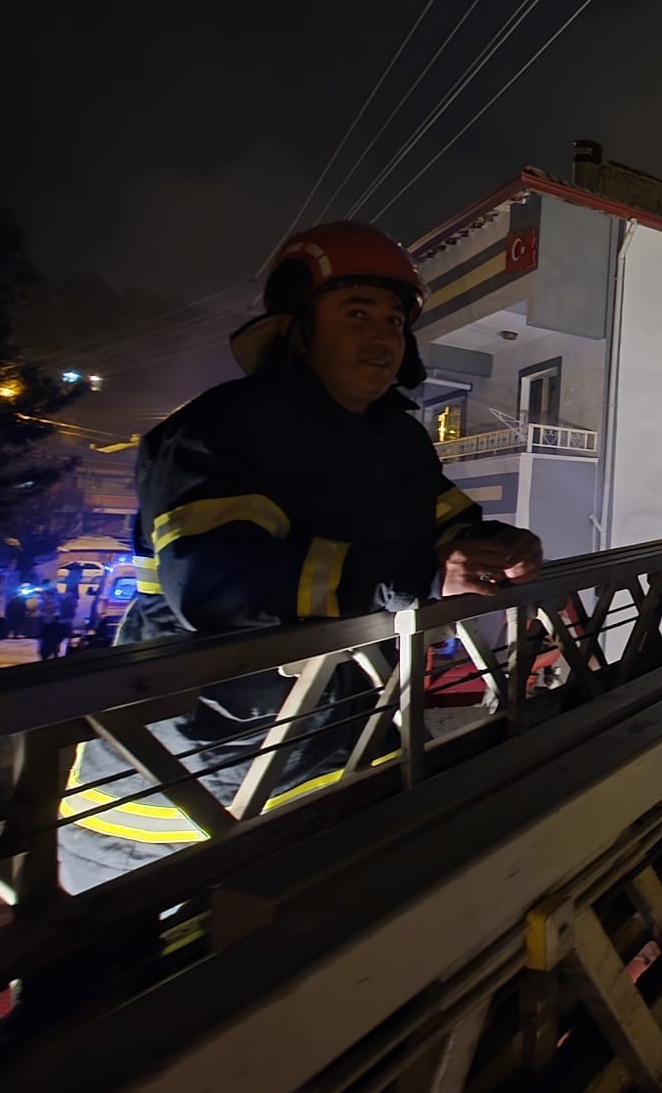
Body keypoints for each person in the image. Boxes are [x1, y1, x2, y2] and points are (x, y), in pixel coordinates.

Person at [59, 221, 543, 891]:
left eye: (395, 320)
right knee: (137, 986)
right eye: (355, 312)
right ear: (297, 329)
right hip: (180, 790)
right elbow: (220, 584)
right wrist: (422, 576)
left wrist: (504, 546)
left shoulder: (394, 442)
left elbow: (450, 530)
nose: (382, 335)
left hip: (334, 752)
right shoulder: (218, 431)